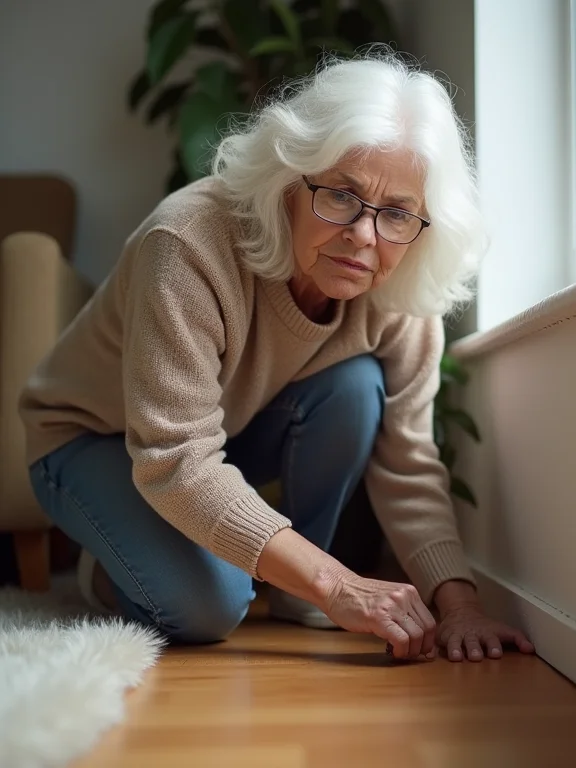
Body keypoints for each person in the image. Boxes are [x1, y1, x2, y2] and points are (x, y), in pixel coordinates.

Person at [19, 49, 534, 663]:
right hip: (92, 438)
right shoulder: (187, 243)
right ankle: (108, 570)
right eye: (341, 195)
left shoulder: (401, 291)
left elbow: (409, 463)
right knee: (210, 607)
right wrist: (341, 583)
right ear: (289, 180)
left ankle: (295, 590)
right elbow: (175, 459)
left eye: (397, 212)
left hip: (224, 434)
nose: (364, 235)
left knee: (354, 387)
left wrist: (461, 608)